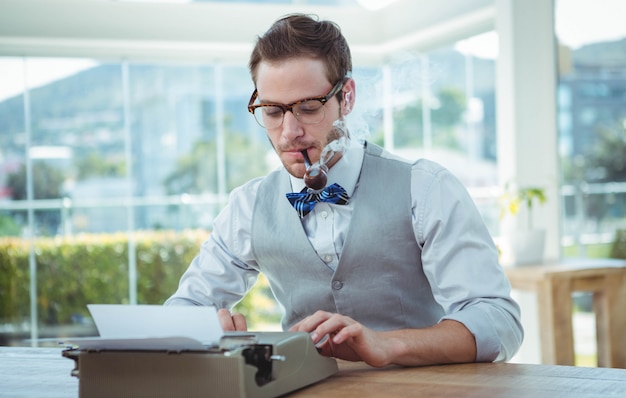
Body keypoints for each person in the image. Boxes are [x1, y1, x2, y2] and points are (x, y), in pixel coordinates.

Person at [166, 13, 523, 367]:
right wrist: (201, 326)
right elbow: (182, 312)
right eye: (273, 112)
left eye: (308, 108)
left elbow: (498, 322)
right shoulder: (248, 206)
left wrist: (386, 345)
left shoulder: (426, 189)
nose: (289, 131)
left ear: (347, 97)